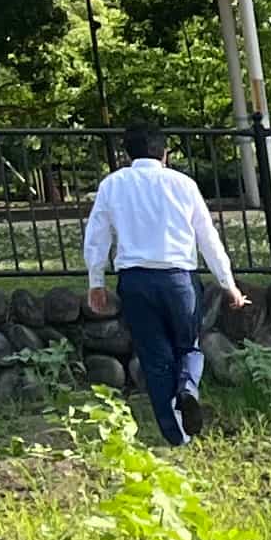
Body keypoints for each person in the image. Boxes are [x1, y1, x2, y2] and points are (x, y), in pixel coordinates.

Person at [80, 121, 247, 448]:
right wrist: (228, 283)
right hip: (179, 279)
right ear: (165, 152)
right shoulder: (183, 184)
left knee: (155, 359)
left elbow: (97, 237)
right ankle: (188, 388)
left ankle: (176, 435)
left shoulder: (113, 184)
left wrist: (96, 281)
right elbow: (207, 238)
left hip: (135, 280)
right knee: (189, 347)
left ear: (126, 152)